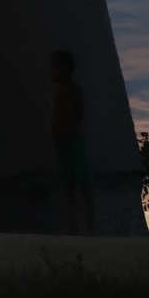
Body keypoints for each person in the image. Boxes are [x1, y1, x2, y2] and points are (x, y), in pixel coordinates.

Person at [49, 49, 96, 234]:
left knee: (83, 183)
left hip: (73, 140)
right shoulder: (57, 91)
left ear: (65, 69)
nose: (50, 71)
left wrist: (67, 129)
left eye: (53, 67)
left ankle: (91, 225)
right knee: (68, 185)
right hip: (61, 142)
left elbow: (79, 113)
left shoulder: (74, 90)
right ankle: (73, 224)